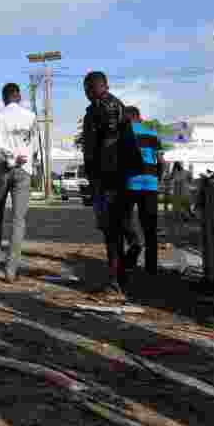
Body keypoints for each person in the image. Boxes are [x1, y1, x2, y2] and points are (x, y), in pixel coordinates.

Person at [0, 83, 38, 282]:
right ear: (19, 96)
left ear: (4, 98)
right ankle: (11, 268)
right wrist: (20, 155)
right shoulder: (31, 117)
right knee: (18, 220)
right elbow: (33, 147)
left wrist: (8, 152)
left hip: (2, 168)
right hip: (23, 170)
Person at [81, 71, 129, 294]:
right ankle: (116, 277)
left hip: (110, 178)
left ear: (103, 86)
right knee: (111, 230)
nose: (88, 92)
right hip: (105, 178)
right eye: (86, 88)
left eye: (91, 87)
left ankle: (115, 281)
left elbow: (110, 145)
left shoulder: (108, 106)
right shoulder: (99, 106)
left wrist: (103, 179)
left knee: (112, 230)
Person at [118, 106, 162, 284]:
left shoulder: (124, 133)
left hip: (130, 183)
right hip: (150, 184)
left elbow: (118, 160)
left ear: (127, 118)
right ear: (140, 117)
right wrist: (156, 178)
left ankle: (133, 249)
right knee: (150, 228)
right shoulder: (152, 134)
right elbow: (161, 161)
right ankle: (151, 268)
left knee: (124, 220)